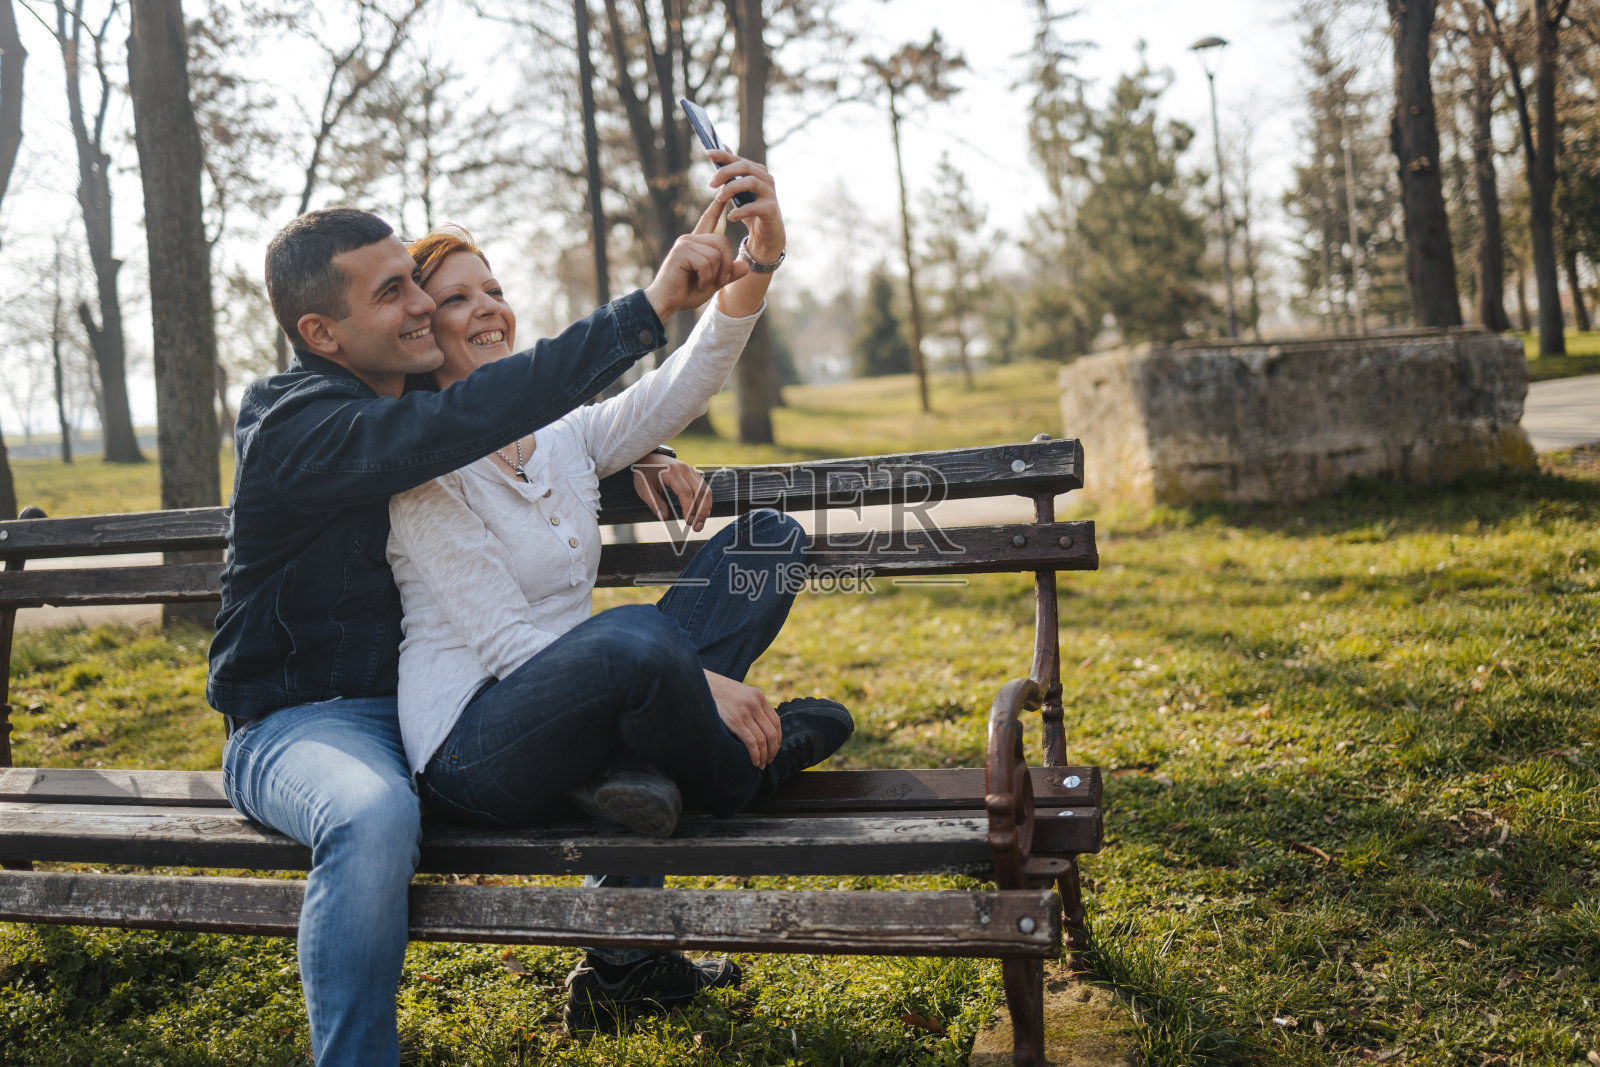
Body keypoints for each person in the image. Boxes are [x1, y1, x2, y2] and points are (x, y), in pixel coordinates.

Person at [210, 165, 754, 1067]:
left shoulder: (413, 409)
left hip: (430, 707)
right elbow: (470, 418)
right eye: (395, 293)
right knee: (372, 814)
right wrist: (650, 305)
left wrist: (639, 449)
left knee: (633, 665)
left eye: (417, 284)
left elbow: (507, 421)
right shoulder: (301, 429)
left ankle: (628, 952)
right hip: (297, 728)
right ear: (321, 332)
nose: (423, 308)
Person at [386, 152, 852, 1031]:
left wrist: (758, 262)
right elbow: (511, 649)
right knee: (635, 639)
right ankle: (739, 777)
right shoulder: (422, 467)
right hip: (476, 743)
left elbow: (683, 383)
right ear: (419, 330)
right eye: (455, 298)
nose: (487, 306)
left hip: (600, 696)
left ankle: (626, 941)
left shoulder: (559, 431)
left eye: (491, 287)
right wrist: (694, 680)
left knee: (768, 542)